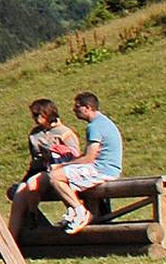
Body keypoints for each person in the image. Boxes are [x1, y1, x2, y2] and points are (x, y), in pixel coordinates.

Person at [48, 93, 124, 232]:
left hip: (102, 170)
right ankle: (74, 211)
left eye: (77, 107)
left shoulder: (95, 126)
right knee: (60, 174)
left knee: (55, 176)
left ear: (87, 108)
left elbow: (89, 158)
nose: (74, 110)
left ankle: (79, 211)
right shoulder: (102, 122)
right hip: (106, 168)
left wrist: (63, 165)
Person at [9, 98, 82, 235]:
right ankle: (11, 240)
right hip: (38, 169)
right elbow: (34, 158)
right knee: (19, 194)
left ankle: (33, 216)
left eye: (39, 115)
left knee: (31, 185)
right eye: (34, 116)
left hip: (57, 170)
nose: (36, 119)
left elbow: (74, 156)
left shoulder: (64, 132)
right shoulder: (34, 134)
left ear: (48, 113)